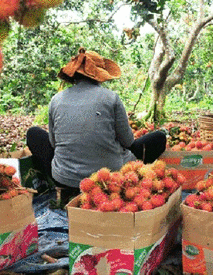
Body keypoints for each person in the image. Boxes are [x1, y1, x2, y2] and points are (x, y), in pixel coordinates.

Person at [26, 48, 166, 201]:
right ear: (99, 75)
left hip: (66, 179)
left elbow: (53, 143)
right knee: (159, 137)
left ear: (74, 75)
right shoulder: (111, 98)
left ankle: (63, 187)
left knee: (33, 134)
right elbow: (128, 141)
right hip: (111, 178)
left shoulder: (56, 100)